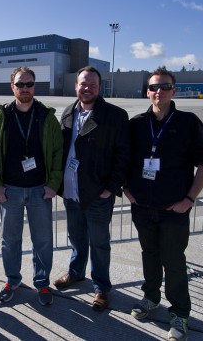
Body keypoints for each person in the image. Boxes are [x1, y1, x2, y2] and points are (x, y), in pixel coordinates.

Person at [124, 67, 203, 341]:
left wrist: (189, 199)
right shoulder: (137, 123)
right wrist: (126, 189)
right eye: (153, 87)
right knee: (149, 254)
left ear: (174, 91)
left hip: (174, 209)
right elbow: (125, 159)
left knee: (174, 261)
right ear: (147, 92)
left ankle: (180, 313)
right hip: (143, 207)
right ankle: (150, 298)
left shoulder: (188, 122)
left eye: (164, 87)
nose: (158, 92)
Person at [0, 66, 63, 306]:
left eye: (29, 84)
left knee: (43, 239)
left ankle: (42, 283)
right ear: (13, 87)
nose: (25, 88)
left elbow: (58, 152)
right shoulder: (1, 117)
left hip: (41, 190)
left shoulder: (46, 116)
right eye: (20, 85)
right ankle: (12, 280)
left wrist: (53, 185)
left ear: (34, 87)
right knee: (10, 240)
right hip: (10, 191)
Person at [55, 66, 130, 311]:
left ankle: (101, 287)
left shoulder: (114, 115)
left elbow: (123, 156)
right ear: (76, 85)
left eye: (93, 84)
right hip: (71, 190)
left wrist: (111, 188)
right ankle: (76, 273)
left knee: (99, 242)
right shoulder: (67, 112)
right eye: (83, 84)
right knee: (76, 238)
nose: (87, 88)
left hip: (98, 192)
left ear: (100, 87)